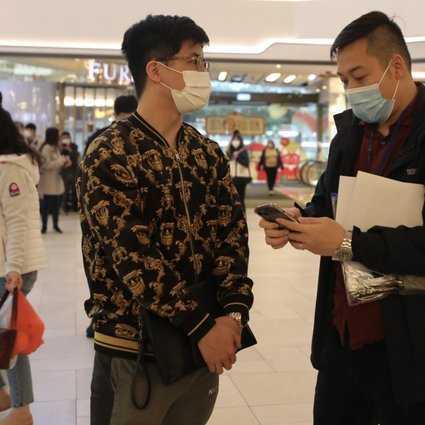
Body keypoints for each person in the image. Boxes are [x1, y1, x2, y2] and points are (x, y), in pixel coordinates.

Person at [78, 14, 254, 425]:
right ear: (156, 70)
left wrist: (232, 313)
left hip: (203, 349)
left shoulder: (205, 152)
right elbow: (132, 257)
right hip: (135, 348)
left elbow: (232, 235)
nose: (203, 73)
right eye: (194, 60)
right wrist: (201, 326)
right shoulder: (110, 153)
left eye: (203, 61)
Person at [260, 11, 425, 425]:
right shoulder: (350, 133)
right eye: (343, 79)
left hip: (408, 350)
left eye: (358, 76)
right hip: (342, 336)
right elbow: (327, 204)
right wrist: (298, 219)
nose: (351, 89)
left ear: (397, 66)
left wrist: (348, 243)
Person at [0, 102, 47, 425]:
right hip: (5, 264)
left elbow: (18, 221)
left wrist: (13, 268)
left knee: (10, 335)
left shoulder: (11, 169)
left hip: (11, 268)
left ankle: (21, 408)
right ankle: (5, 394)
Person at [38, 127, 71, 234]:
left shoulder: (56, 148)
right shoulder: (46, 148)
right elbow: (45, 165)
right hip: (47, 182)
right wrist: (61, 161)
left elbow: (58, 162)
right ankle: (44, 226)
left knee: (56, 206)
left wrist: (65, 162)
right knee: (46, 207)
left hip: (56, 181)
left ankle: (56, 225)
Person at [227, 130, 251, 210]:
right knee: (232, 200)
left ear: (240, 141)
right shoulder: (229, 151)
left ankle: (243, 217)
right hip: (231, 177)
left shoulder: (243, 151)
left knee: (240, 199)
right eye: (234, 139)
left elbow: (246, 163)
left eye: (237, 140)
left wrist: (238, 157)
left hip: (241, 178)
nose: (235, 142)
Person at [60, 132, 80, 213]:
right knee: (65, 190)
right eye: (63, 137)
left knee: (74, 189)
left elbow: (76, 157)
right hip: (64, 171)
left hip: (73, 170)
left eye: (67, 137)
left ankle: (75, 207)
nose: (65, 139)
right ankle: (65, 207)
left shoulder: (74, 147)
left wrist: (70, 150)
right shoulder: (59, 147)